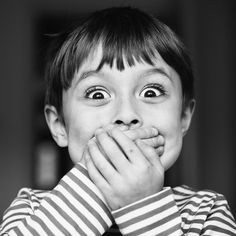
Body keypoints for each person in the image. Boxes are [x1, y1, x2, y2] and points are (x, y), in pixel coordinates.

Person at [1, 6, 236, 236]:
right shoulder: (30, 209)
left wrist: (144, 207)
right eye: (97, 94)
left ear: (184, 117)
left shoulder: (206, 212)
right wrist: (95, 188)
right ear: (59, 125)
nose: (126, 114)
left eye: (151, 92)